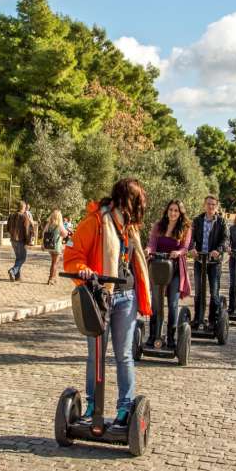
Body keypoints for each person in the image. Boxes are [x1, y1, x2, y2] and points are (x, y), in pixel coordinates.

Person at [64, 178, 151, 427]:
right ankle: (93, 404)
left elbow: (135, 262)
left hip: (127, 297)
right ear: (124, 201)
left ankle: (125, 408)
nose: (137, 209)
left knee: (124, 354)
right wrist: (82, 270)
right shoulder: (94, 222)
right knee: (96, 355)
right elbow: (72, 255)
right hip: (100, 296)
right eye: (136, 202)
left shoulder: (131, 228)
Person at [146, 199, 191, 348]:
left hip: (175, 270)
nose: (173, 213)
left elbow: (185, 248)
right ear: (167, 211)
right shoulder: (158, 226)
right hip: (158, 268)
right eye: (171, 210)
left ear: (180, 213)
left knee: (172, 304)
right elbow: (152, 243)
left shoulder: (185, 228)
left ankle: (171, 338)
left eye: (176, 210)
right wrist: (148, 250)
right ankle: (153, 336)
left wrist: (178, 252)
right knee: (155, 303)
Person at [190, 195, 227, 330]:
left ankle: (213, 321)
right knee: (199, 291)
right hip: (199, 260)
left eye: (213, 205)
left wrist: (218, 250)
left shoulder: (221, 222)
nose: (211, 207)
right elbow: (191, 238)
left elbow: (225, 239)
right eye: (208, 204)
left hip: (214, 262)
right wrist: (192, 248)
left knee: (214, 292)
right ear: (204, 205)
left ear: (216, 206)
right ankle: (198, 319)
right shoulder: (197, 220)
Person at [6, 201, 33, 281]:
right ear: (24, 208)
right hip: (21, 240)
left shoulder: (11, 215)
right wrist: (28, 242)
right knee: (23, 258)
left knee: (18, 258)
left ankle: (17, 277)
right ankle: (12, 271)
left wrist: (12, 234)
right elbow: (27, 230)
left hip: (13, 239)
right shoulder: (24, 217)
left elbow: (7, 227)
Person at [42, 209, 66, 285]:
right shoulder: (59, 225)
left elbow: (44, 233)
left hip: (50, 246)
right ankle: (51, 279)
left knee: (54, 262)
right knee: (55, 263)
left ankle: (54, 278)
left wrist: (43, 244)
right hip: (57, 246)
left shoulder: (49, 224)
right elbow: (64, 234)